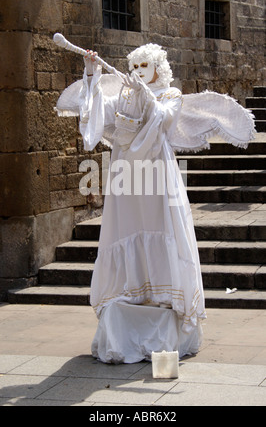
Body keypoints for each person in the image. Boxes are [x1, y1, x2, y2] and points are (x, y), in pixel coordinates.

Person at [56, 43, 256, 363]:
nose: (137, 73)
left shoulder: (171, 94)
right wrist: (92, 73)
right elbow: (97, 112)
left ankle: (164, 298)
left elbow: (163, 120)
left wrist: (144, 95)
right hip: (126, 177)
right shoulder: (123, 95)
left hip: (157, 175)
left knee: (160, 227)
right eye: (134, 67)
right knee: (128, 228)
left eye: (144, 66)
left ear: (158, 68)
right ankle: (134, 292)